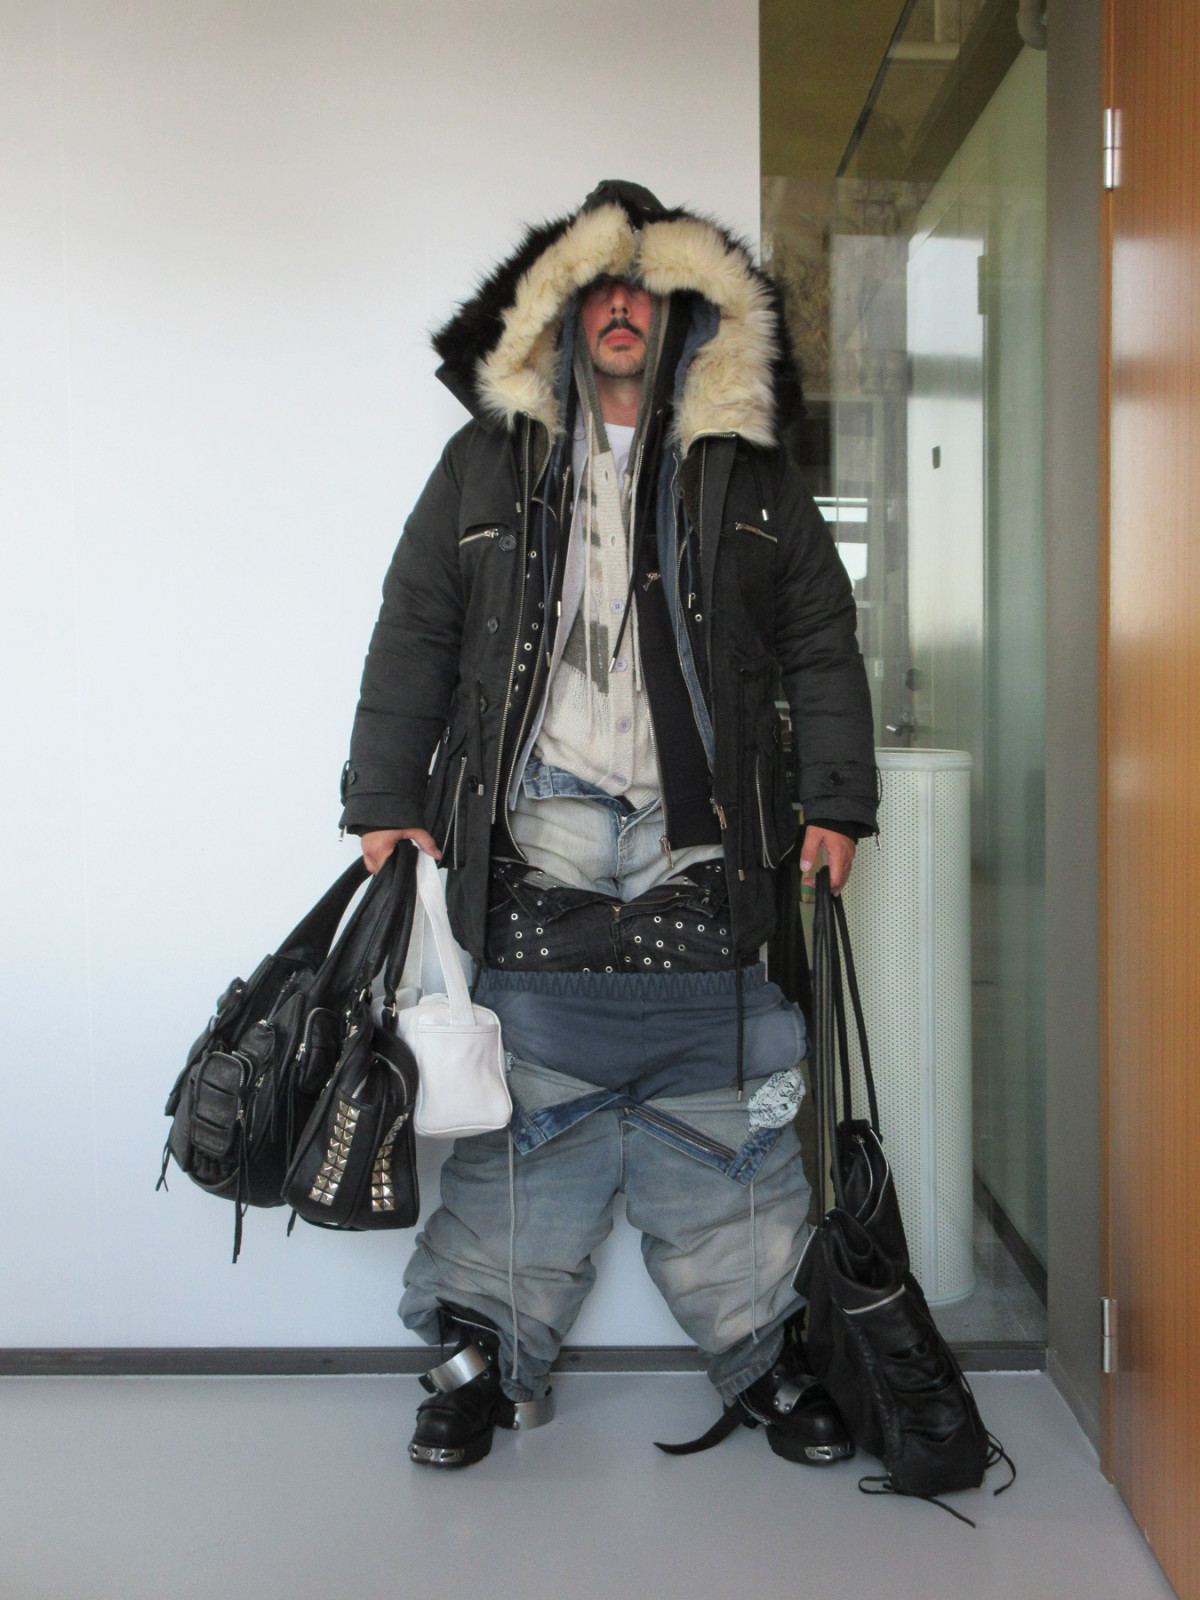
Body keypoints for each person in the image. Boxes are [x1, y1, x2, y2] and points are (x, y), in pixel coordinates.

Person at [340, 180, 879, 1470]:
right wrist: (385, 798)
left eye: (647, 286)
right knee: (526, 1097)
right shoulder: (486, 462)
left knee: (725, 1085)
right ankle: (483, 1350)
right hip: (538, 820)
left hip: (708, 829)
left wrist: (838, 798)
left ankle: (765, 1348)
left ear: (687, 314)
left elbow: (818, 632)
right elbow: (416, 626)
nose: (623, 305)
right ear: (563, 310)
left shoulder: (749, 470)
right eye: (600, 286)